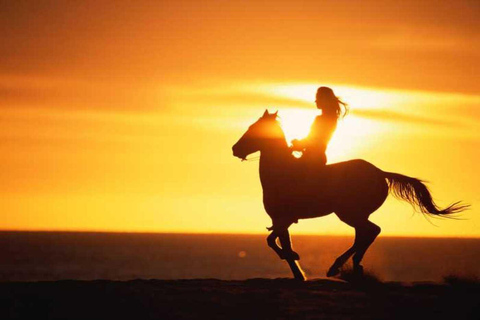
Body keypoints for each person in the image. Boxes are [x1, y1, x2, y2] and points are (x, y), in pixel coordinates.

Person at [291, 86, 348, 167]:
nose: (316, 101)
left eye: (318, 98)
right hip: (317, 157)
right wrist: (299, 144)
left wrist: (299, 144)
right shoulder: (331, 118)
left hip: (312, 159)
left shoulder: (321, 119)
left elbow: (314, 140)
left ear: (324, 100)